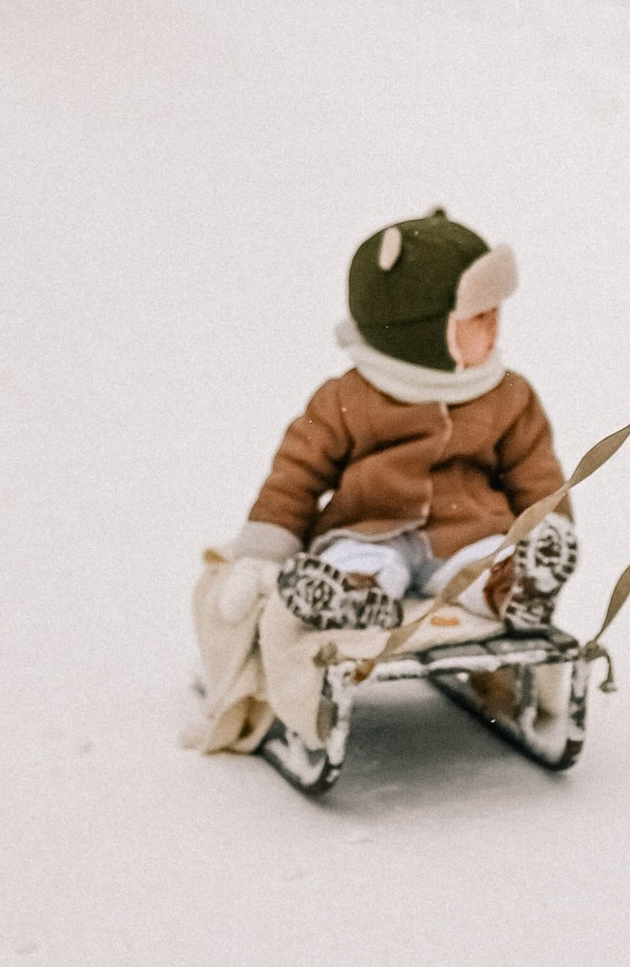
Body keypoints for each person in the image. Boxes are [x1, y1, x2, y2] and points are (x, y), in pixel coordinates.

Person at [217, 208, 576, 658]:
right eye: (479, 316)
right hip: (369, 529)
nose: (494, 326)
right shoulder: (346, 397)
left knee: (484, 563)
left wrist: (548, 529)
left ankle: (512, 590)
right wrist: (264, 552)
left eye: (496, 313)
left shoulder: (508, 395)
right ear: (423, 332)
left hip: (468, 531)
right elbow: (295, 476)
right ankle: (354, 594)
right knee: (357, 559)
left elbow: (536, 471)